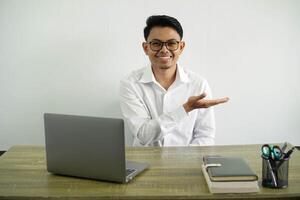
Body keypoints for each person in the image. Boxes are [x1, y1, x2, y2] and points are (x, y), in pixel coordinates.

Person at [120, 15, 229, 146]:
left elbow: (205, 135)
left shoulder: (198, 84)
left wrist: (185, 160)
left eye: (171, 43)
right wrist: (186, 109)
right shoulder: (130, 84)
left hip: (187, 161)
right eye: (156, 44)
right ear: (146, 48)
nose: (164, 50)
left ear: (181, 47)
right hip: (145, 163)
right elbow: (143, 135)